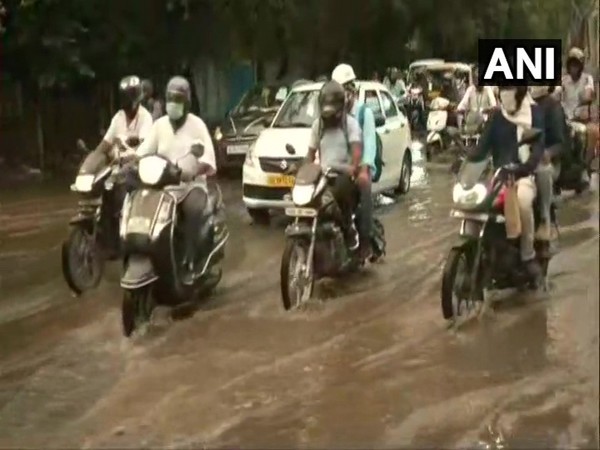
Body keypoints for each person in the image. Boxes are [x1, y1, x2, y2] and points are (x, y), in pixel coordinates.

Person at [136, 76, 217, 283]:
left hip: (190, 186)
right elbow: (143, 152)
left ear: (187, 102)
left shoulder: (197, 125)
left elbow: (208, 160)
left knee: (192, 210)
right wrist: (130, 162)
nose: (173, 104)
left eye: (178, 99)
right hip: (163, 186)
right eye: (170, 99)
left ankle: (189, 261)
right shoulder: (159, 125)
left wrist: (194, 169)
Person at [467, 85, 545, 280]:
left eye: (509, 87)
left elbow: (537, 151)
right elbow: (482, 149)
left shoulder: (533, 113)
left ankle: (528, 255)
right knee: (474, 205)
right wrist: (465, 160)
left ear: (520, 91)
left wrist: (522, 168)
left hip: (523, 177)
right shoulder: (496, 117)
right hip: (499, 177)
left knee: (523, 202)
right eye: (503, 88)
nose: (505, 92)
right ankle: (477, 251)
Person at [305, 80, 362, 250]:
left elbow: (356, 154)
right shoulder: (318, 126)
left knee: (341, 188)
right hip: (323, 177)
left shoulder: (350, 124)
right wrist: (301, 169)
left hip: (344, 178)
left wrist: (352, 167)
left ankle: (349, 228)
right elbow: (309, 155)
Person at [331, 63, 376, 258]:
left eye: (345, 90)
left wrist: (364, 168)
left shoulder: (364, 113)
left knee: (363, 183)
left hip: (359, 167)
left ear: (352, 89)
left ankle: (365, 240)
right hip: (338, 168)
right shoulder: (331, 115)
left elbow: (370, 144)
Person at [529, 85, 568, 240]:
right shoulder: (519, 105)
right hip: (521, 158)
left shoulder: (553, 107)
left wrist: (548, 153)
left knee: (543, 171)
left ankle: (546, 220)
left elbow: (561, 143)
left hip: (547, 162)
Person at [92, 75, 153, 164]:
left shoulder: (146, 117)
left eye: (130, 103)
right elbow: (104, 145)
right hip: (116, 167)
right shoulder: (118, 117)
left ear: (138, 101)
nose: (127, 108)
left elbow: (143, 148)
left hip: (136, 168)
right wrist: (93, 157)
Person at [559, 47, 598, 177]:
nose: (573, 68)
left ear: (581, 66)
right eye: (571, 64)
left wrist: (586, 96)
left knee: (593, 131)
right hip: (565, 118)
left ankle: (585, 166)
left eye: (576, 65)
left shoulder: (587, 79)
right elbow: (555, 93)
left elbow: (589, 93)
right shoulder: (564, 80)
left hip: (581, 119)